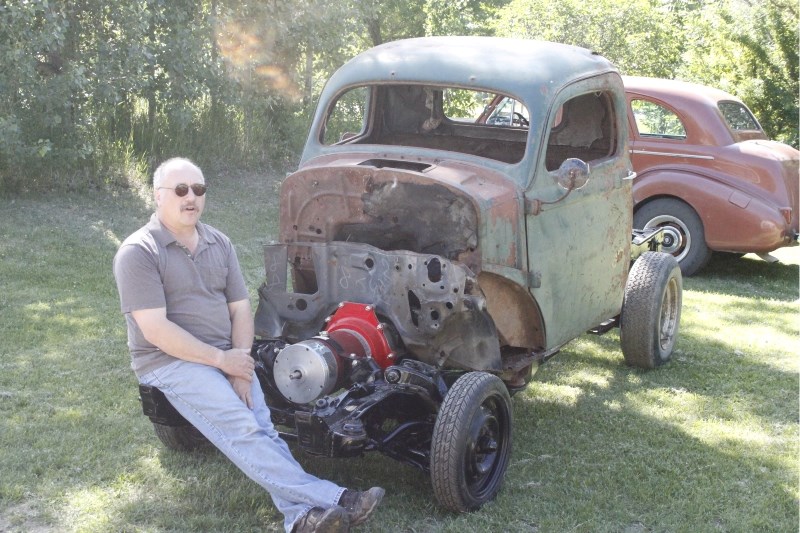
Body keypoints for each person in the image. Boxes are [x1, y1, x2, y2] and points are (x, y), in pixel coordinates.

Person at [113, 158, 383, 533]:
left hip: (227, 356)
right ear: (158, 197)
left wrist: (240, 362)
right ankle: (336, 498)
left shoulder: (218, 242)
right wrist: (223, 361)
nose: (190, 197)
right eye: (180, 190)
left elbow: (241, 311)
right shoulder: (139, 252)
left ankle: (300, 519)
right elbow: (156, 330)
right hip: (171, 361)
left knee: (263, 429)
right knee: (244, 428)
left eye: (198, 189)